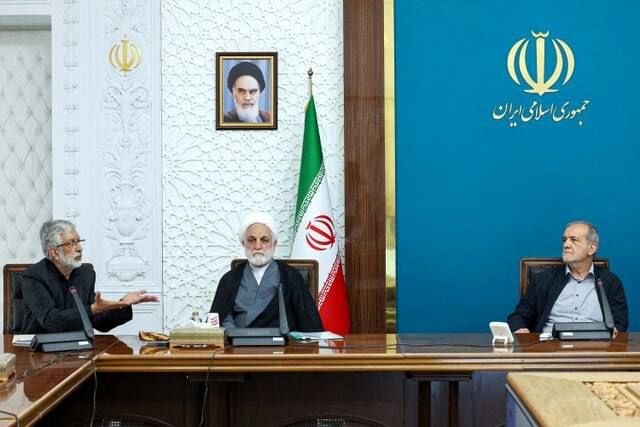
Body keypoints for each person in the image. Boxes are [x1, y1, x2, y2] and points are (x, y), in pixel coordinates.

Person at [20, 219, 159, 334]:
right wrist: (93, 309)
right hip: (38, 350)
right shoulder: (33, 277)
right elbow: (51, 321)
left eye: (78, 241)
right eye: (71, 243)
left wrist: (123, 304)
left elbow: (97, 321)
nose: (80, 248)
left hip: (78, 347)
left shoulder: (85, 273)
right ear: (54, 252)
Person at [507, 221, 628, 334]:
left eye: (573, 240)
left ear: (591, 248)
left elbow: (620, 322)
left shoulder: (610, 282)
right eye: (564, 240)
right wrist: (521, 330)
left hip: (596, 346)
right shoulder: (542, 280)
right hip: (550, 346)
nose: (566, 245)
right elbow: (518, 317)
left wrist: (615, 332)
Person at [210, 212, 323, 332]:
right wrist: (233, 334)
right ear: (243, 243)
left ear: (274, 244)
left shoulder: (291, 277)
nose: (258, 246)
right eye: (251, 240)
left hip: (281, 343)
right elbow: (217, 321)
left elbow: (310, 325)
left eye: (264, 240)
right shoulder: (229, 279)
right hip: (237, 342)